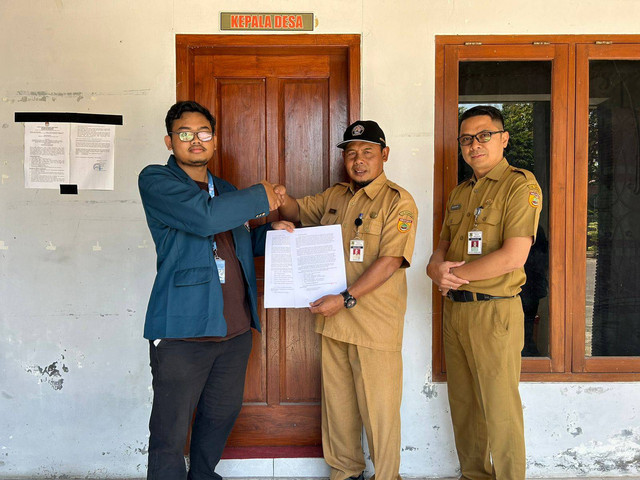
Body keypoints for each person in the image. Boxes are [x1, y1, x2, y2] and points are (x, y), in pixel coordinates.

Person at [138, 101, 293, 480]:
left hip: (234, 330)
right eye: (185, 133)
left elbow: (234, 242)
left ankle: (203, 475)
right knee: (170, 431)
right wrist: (262, 195)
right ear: (169, 140)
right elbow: (204, 219)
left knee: (220, 415)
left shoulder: (222, 189)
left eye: (203, 133)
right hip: (182, 331)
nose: (195, 140)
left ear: (214, 140)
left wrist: (268, 234)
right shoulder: (157, 180)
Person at [277, 120, 418, 480]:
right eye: (352, 153)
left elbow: (390, 261)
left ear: (384, 155)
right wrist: (278, 198)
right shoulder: (335, 196)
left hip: (373, 325)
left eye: (367, 152)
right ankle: (344, 472)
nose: (358, 160)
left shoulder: (398, 202)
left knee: (380, 411)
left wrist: (346, 298)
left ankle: (387, 476)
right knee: (338, 410)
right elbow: (296, 211)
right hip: (334, 322)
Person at [426, 105, 542, 480]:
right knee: (464, 406)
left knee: (500, 407)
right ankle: (474, 474)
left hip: (495, 312)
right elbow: (440, 249)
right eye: (466, 139)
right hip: (456, 313)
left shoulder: (520, 185)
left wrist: (452, 278)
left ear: (503, 139)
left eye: (483, 135)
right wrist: (435, 270)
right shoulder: (461, 192)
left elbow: (513, 256)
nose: (474, 144)